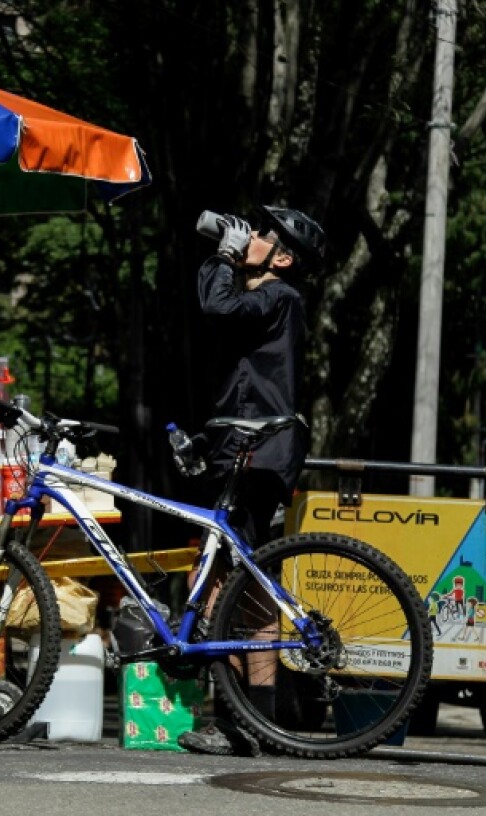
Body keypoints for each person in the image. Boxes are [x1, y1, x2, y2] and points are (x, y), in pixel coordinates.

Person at [178, 204, 328, 757]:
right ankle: (245, 718)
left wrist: (223, 253)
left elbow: (217, 307)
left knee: (241, 584)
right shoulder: (259, 300)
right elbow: (214, 306)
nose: (251, 236)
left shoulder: (279, 297)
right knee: (227, 577)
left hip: (259, 452)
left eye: (264, 234)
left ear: (284, 257)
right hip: (240, 448)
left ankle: (247, 720)